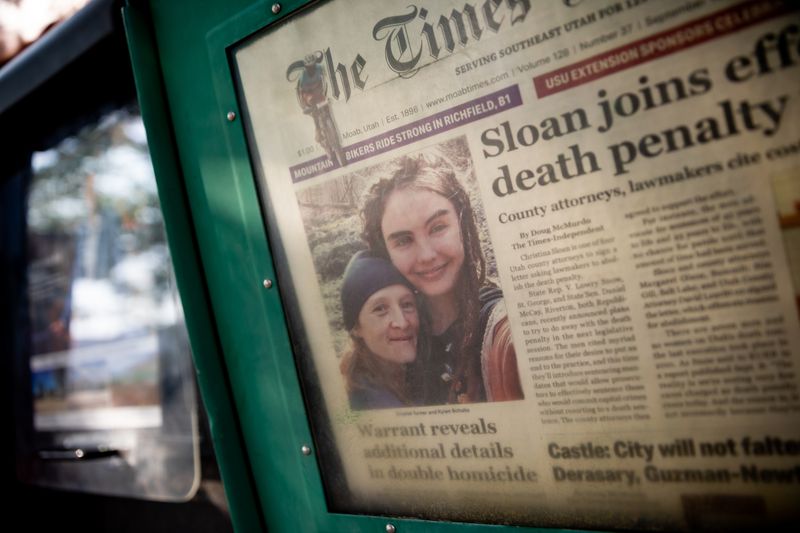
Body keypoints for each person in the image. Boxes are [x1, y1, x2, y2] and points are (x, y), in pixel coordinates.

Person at [361, 154, 523, 404]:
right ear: (385, 252)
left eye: (437, 227)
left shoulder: (503, 325)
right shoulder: (396, 335)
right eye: (403, 240)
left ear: (462, 224)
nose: (426, 255)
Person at [339, 250, 427, 410]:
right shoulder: (370, 404)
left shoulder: (407, 379)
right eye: (380, 309)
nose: (402, 323)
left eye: (407, 304)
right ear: (356, 328)